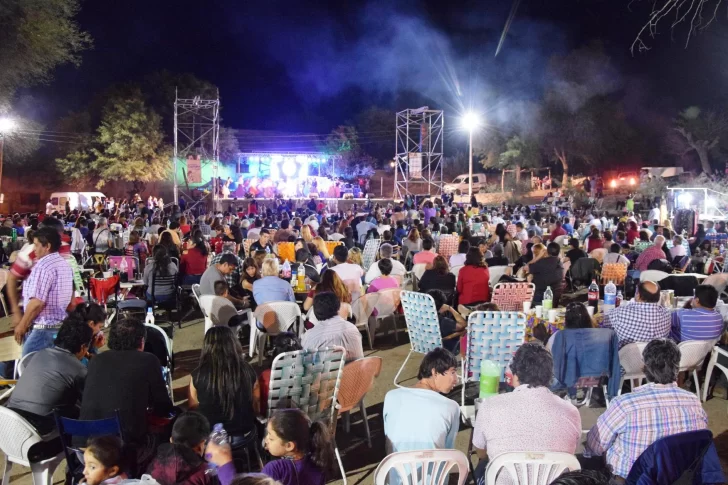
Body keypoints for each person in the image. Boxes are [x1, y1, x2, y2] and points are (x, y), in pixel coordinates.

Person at [586, 339, 708, 480]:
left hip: (631, 479)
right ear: (677, 368)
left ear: (644, 367)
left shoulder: (625, 405)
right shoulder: (694, 402)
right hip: (678, 478)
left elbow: (595, 445)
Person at [472, 343, 581, 484]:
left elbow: (481, 450)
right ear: (549, 376)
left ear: (515, 375)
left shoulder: (490, 406)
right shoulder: (571, 411)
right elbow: (571, 448)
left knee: (481, 467)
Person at [80, 318, 174, 459]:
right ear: (141, 341)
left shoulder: (96, 360)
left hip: (83, 446)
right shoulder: (148, 360)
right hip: (120, 447)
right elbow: (163, 407)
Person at [6, 315, 93, 434]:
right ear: (83, 347)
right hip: (38, 434)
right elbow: (89, 404)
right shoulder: (78, 370)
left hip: (9, 424)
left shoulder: (39, 354)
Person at [189, 327, 259, 446]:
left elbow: (193, 408)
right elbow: (256, 405)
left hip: (211, 440)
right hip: (245, 435)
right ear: (234, 344)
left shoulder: (197, 375)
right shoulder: (248, 370)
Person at [383, 348, 460, 453]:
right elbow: (448, 449)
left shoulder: (390, 396)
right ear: (435, 373)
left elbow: (389, 439)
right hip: (434, 468)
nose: (457, 379)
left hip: (394, 466)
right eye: (453, 372)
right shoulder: (451, 407)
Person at [14, 227, 74, 355]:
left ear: (47, 246)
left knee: (28, 368)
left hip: (43, 330)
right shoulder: (64, 264)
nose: (34, 249)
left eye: (36, 245)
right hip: (59, 327)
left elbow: (37, 303)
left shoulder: (43, 266)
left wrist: (22, 325)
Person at [260, 409, 334, 485]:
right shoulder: (317, 460)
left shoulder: (274, 469)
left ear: (289, 446)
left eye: (271, 438)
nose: (266, 440)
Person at [601, 281, 671, 348]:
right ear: (658, 297)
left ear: (638, 295)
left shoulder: (620, 313)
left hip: (626, 358)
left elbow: (602, 322)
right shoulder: (667, 315)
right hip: (655, 358)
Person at [301, 292, 363, 361]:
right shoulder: (352, 328)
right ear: (338, 308)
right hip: (356, 370)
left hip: (328, 371)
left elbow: (305, 362)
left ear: (315, 312)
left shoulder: (311, 335)